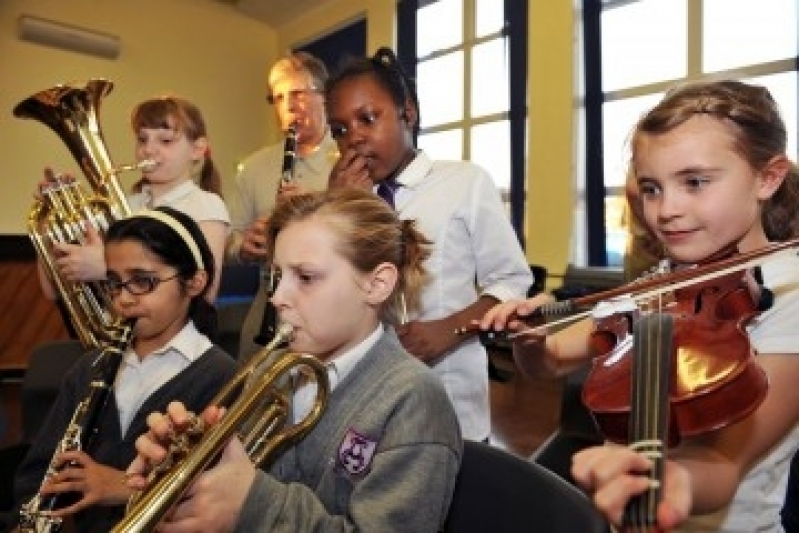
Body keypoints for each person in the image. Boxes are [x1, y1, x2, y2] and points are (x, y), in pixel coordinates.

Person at [480, 80, 799, 532]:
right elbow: (550, 362)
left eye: (694, 182)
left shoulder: (790, 295)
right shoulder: (661, 282)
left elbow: (724, 463)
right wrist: (530, 341)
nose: (665, 209)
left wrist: (667, 479)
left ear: (767, 177)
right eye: (652, 188)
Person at [127, 188, 462, 532]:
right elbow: (228, 480)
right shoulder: (270, 367)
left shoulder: (413, 400)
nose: (277, 297)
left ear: (377, 284)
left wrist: (251, 504)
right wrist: (184, 467)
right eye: (276, 277)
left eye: (305, 277)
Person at [325, 47, 533, 442]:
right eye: (340, 130)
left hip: (449, 391)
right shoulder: (341, 197)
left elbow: (510, 281)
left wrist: (449, 329)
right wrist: (340, 208)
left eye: (368, 119)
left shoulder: (464, 182)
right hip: (365, 397)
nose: (354, 139)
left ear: (408, 113)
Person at [13, 207, 238, 532]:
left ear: (194, 283)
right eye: (114, 283)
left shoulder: (223, 375)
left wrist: (121, 485)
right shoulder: (90, 367)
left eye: (143, 282)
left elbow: (222, 496)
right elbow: (37, 473)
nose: (123, 300)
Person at [40, 95, 229, 304]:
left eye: (165, 140)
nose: (148, 149)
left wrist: (107, 268)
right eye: (142, 139)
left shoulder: (205, 205)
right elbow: (54, 291)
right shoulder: (126, 205)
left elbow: (205, 294)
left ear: (197, 149)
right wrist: (50, 229)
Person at [227, 51, 339, 360]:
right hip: (269, 304)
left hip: (330, 309)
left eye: (298, 94)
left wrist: (310, 212)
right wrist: (244, 246)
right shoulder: (254, 167)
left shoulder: (349, 161)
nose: (288, 106)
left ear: (325, 97)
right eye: (278, 97)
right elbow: (230, 239)